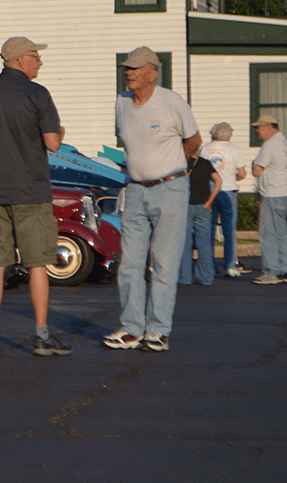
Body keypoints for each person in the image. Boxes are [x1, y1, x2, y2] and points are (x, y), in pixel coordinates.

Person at [0, 36, 71, 357]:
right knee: (37, 263)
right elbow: (53, 143)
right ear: (21, 59)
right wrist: (59, 131)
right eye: (36, 56)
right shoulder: (37, 93)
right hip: (30, 190)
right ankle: (41, 336)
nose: (40, 62)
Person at [104, 46, 199, 353]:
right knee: (129, 263)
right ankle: (132, 329)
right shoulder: (121, 102)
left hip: (170, 188)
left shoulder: (171, 101)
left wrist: (169, 167)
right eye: (127, 68)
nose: (128, 73)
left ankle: (158, 331)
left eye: (135, 68)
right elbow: (127, 141)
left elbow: (194, 141)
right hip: (134, 189)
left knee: (164, 263)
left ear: (153, 72)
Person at [250, 114, 287, 285]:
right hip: (285, 193)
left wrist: (255, 163)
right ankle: (284, 270)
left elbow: (256, 169)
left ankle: (272, 272)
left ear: (268, 127)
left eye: (258, 128)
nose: (257, 132)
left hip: (272, 194)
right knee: (281, 233)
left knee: (267, 233)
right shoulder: (284, 142)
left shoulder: (270, 144)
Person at [200, 122, 247, 277]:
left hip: (210, 192)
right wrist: (233, 178)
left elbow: (199, 172)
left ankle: (210, 265)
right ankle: (230, 265)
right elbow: (242, 173)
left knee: (209, 230)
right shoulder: (235, 149)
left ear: (215, 134)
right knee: (229, 231)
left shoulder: (205, 149)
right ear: (230, 134)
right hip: (229, 191)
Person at [179, 148, 221, 285]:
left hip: (185, 206)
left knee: (185, 244)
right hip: (203, 206)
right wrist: (209, 202)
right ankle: (206, 277)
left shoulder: (180, 163)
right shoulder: (205, 163)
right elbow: (218, 181)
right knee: (204, 245)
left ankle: (184, 277)